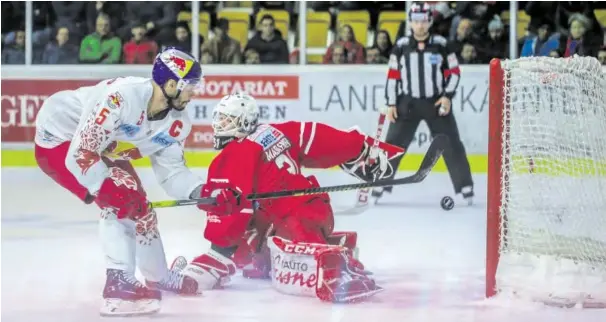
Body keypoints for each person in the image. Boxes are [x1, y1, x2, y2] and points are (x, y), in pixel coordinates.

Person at [169, 93, 405, 303]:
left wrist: (217, 253)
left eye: (227, 119)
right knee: (252, 259)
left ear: (243, 122)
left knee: (289, 250)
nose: (219, 125)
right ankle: (337, 250)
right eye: (219, 118)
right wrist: (358, 148)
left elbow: (232, 210)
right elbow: (317, 136)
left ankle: (339, 270)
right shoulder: (276, 130)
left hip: (294, 216)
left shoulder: (233, 155)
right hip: (312, 207)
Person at [33, 47, 215, 316]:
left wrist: (205, 193)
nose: (195, 92)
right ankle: (117, 283)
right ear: (171, 83)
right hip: (59, 141)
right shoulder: (120, 98)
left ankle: (158, 276)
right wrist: (107, 190)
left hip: (102, 146)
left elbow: (172, 173)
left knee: (141, 207)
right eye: (191, 85)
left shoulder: (177, 123)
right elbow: (80, 154)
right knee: (121, 201)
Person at [378, 1, 474, 205]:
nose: (420, 26)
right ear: (410, 22)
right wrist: (391, 103)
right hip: (407, 103)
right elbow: (392, 76)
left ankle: (465, 186)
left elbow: (454, 72)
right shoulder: (401, 46)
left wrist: (447, 96)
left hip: (435, 102)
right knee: (392, 144)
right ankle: (380, 184)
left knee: (451, 143)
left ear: (429, 21)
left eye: (423, 21)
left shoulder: (441, 44)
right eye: (415, 21)